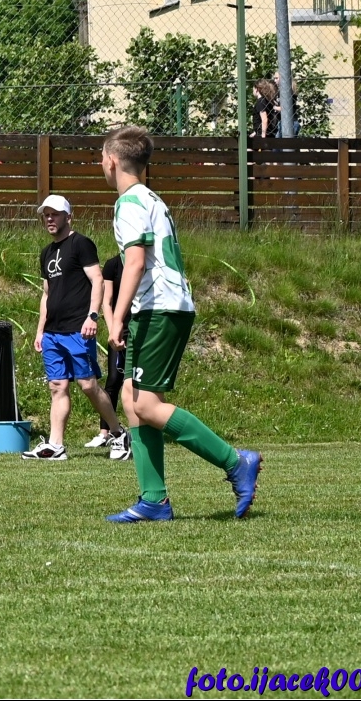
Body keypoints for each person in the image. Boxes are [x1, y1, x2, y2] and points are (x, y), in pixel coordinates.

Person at [100, 125, 262, 523]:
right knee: (131, 398)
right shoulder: (149, 197)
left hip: (160, 309)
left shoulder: (129, 202)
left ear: (112, 161)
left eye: (100, 159)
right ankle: (153, 500)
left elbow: (135, 262)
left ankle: (235, 460)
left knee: (146, 404)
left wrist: (116, 316)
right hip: (160, 307)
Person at [23, 195, 126, 462]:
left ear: (68, 217)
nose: (49, 218)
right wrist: (40, 330)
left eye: (55, 214)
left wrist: (92, 317)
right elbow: (47, 293)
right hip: (52, 333)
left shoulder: (81, 243)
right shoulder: (46, 252)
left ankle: (118, 433)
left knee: (88, 385)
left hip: (78, 329)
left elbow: (97, 281)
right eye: (46, 214)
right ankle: (55, 445)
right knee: (57, 386)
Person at [84, 253, 133, 460]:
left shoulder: (145, 261)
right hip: (120, 330)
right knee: (114, 380)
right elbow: (107, 301)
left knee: (137, 382)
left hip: (142, 329)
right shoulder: (113, 264)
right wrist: (114, 329)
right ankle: (105, 433)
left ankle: (139, 431)